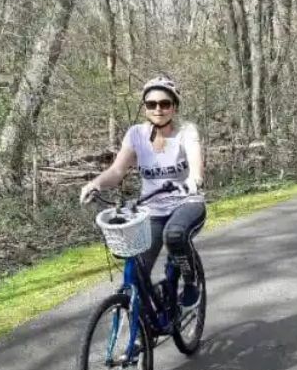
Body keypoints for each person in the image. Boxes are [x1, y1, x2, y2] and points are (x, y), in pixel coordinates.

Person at [80, 75, 205, 309]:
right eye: (151, 104)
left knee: (175, 235)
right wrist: (95, 184)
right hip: (152, 209)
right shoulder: (136, 134)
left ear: (174, 106)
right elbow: (117, 170)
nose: (158, 109)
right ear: (145, 107)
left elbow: (196, 165)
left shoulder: (186, 131)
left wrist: (193, 180)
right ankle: (145, 328)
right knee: (137, 273)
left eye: (165, 104)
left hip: (187, 202)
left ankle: (189, 281)